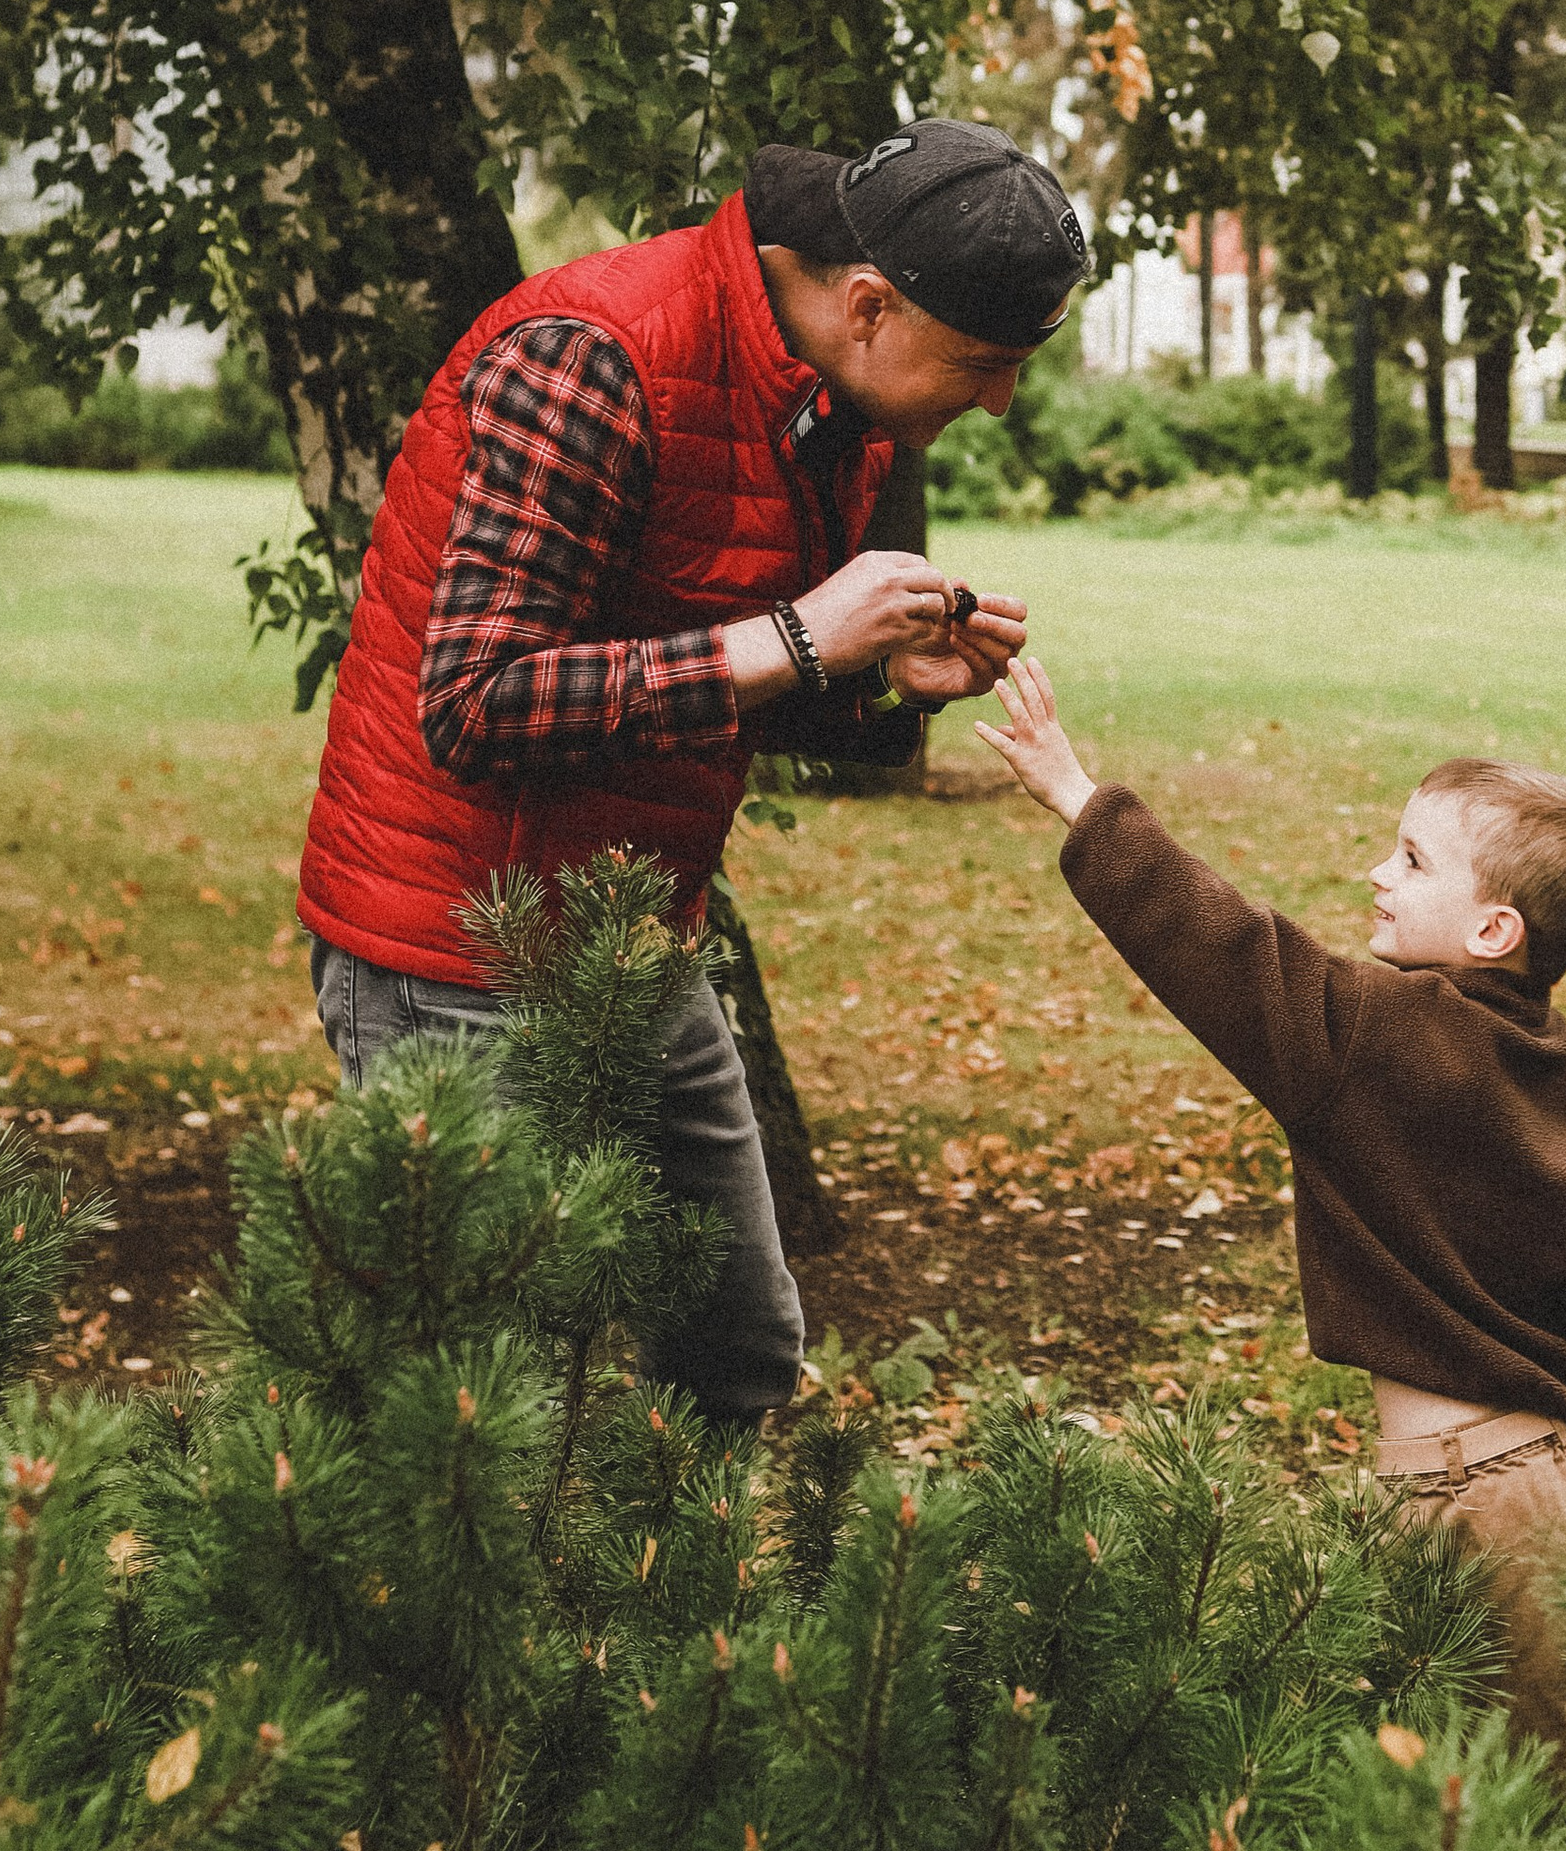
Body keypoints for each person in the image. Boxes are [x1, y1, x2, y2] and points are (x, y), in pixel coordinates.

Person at [296, 121, 1088, 1425]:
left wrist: (871, 679)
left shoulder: (834, 404)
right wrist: (798, 638)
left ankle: (697, 1630)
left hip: (632, 940)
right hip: (451, 957)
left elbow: (705, 686)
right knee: (464, 1418)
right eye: (984, 365)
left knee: (733, 1356)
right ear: (870, 303)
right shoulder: (591, 364)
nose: (997, 402)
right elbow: (479, 706)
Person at [974, 655, 1566, 1800]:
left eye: (1413, 859)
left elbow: (1222, 950)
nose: (1378, 872)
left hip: (1473, 1499)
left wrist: (1079, 796)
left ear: (1492, 927)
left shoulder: (1375, 1039)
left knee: (1479, 1823)